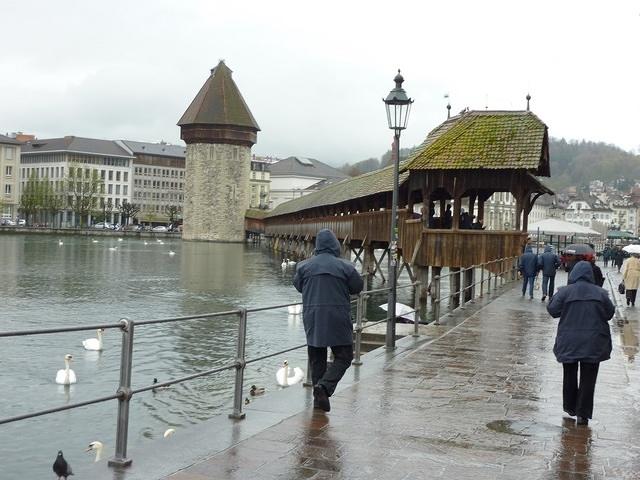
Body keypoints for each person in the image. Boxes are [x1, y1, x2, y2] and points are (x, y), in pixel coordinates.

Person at [293, 229, 364, 412]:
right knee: (344, 356)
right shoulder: (346, 267)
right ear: (335, 246)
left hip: (313, 318)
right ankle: (323, 387)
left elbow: (298, 286)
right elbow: (357, 286)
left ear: (317, 246)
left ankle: (319, 400)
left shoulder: (303, 267)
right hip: (337, 318)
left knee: (317, 360)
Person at [547, 261, 614, 426]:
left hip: (569, 341)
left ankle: (570, 407)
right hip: (594, 342)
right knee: (589, 378)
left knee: (569, 374)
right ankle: (583, 414)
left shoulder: (565, 292)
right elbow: (609, 313)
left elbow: (552, 310)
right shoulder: (600, 293)